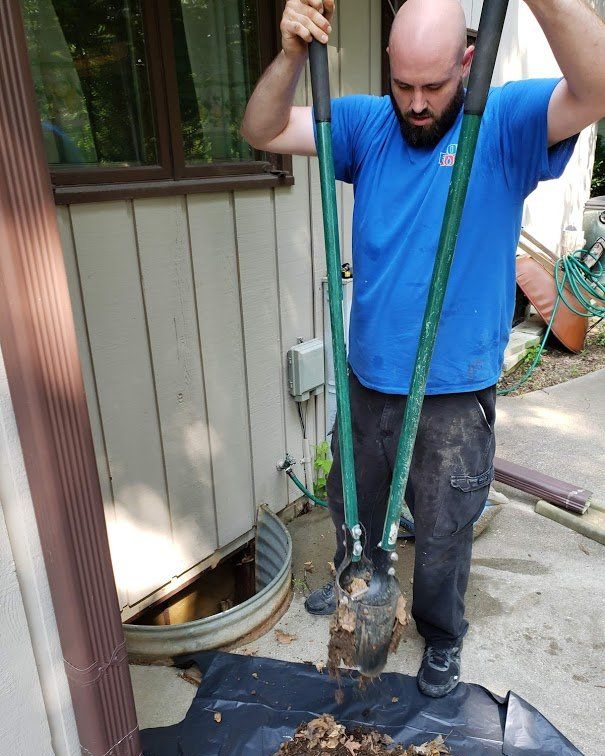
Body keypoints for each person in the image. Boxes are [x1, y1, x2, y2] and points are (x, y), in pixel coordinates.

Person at [241, 0, 605, 697]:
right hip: (367, 375)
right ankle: (361, 579)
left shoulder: (499, 125)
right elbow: (260, 127)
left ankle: (441, 634)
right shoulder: (363, 123)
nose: (413, 104)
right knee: (352, 502)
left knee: (442, 527)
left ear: (466, 61)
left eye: (432, 86)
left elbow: (594, 86)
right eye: (401, 84)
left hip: (450, 389)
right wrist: (290, 52)